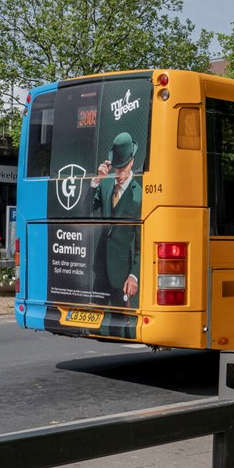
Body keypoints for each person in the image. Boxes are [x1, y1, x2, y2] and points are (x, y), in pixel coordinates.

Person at [90, 132, 142, 337]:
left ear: (132, 162)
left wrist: (133, 275)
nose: (119, 172)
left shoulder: (139, 195)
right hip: (100, 268)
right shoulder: (105, 184)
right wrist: (96, 180)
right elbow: (84, 207)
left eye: (124, 167)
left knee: (122, 327)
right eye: (117, 167)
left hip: (123, 274)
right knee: (95, 328)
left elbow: (141, 242)